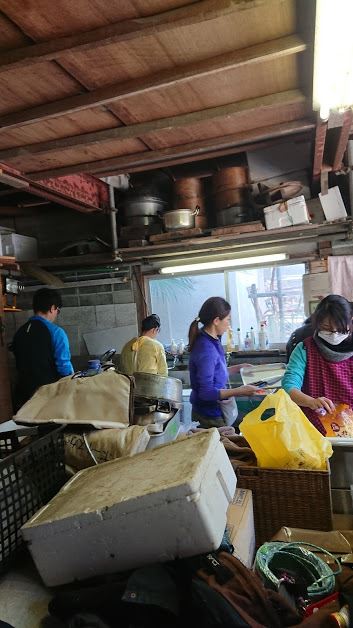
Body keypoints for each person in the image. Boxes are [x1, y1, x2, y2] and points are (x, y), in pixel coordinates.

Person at [282, 294, 353, 434]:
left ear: (350, 321)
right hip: (314, 430)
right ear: (317, 323)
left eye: (339, 328)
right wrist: (311, 402)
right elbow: (289, 386)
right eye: (326, 327)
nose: (333, 334)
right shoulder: (305, 349)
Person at [188, 296, 258, 428]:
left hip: (216, 410)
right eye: (227, 320)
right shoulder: (206, 349)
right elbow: (206, 392)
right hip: (209, 415)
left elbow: (216, 372)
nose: (228, 325)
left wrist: (239, 368)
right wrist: (239, 391)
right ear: (216, 321)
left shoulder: (213, 339)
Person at [12, 288, 74, 408]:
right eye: (58, 310)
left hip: (24, 396)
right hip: (48, 396)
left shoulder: (20, 332)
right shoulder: (56, 332)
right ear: (52, 308)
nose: (56, 314)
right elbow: (64, 367)